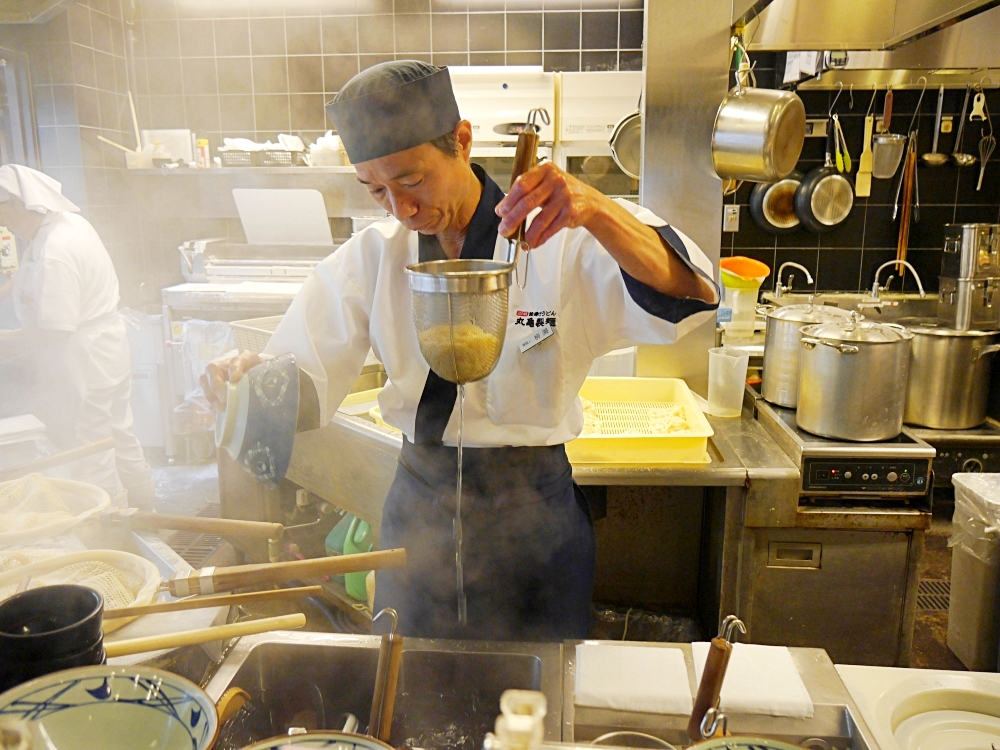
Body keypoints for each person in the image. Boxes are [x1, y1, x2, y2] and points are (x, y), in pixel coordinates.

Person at [203, 61, 718, 641]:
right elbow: (302, 379)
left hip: (534, 514)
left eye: (412, 180)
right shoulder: (374, 256)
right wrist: (249, 380)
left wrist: (595, 208)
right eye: (376, 189)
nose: (400, 208)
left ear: (463, 142)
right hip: (417, 512)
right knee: (409, 696)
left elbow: (691, 290)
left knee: (537, 713)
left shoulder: (560, 235)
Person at [0, 165, 155, 510]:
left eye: (5, 216)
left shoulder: (56, 250)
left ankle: (117, 531)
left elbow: (57, 329)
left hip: (85, 356)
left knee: (92, 448)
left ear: (25, 205)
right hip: (107, 345)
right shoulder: (64, 225)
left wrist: (8, 344)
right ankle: (149, 512)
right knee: (120, 434)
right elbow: (24, 275)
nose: (6, 225)